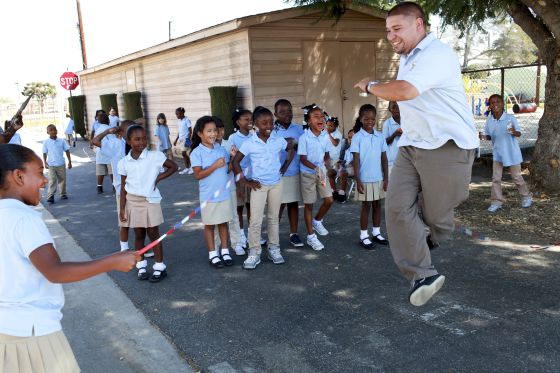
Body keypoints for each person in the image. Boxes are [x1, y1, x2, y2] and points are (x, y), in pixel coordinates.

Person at [354, 2, 479, 306]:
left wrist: (372, 85)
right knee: (396, 208)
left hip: (448, 147)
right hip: (413, 146)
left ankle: (434, 233)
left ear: (419, 25)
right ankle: (422, 274)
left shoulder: (437, 55)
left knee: (436, 218)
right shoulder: (408, 57)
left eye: (397, 29)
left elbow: (407, 91)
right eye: (387, 31)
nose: (391, 36)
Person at [0, 143, 138, 373]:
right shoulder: (24, 219)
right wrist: (113, 260)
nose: (44, 180)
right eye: (39, 173)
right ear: (19, 176)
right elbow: (55, 271)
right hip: (34, 333)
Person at [233, 106, 291, 270]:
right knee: (255, 220)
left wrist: (285, 166)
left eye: (271, 122)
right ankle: (254, 252)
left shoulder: (277, 139)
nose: (269, 126)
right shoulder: (250, 143)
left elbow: (290, 148)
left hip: (276, 184)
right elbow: (235, 162)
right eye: (264, 123)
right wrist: (246, 182)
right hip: (259, 186)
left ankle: (274, 248)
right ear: (255, 124)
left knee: (273, 218)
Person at [118, 125, 178, 282]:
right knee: (139, 234)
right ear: (128, 141)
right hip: (133, 201)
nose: (142, 142)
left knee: (154, 234)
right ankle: (141, 266)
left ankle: (159, 267)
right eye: (137, 139)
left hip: (150, 200)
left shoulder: (155, 156)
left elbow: (174, 167)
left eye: (144, 138)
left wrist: (158, 178)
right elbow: (123, 188)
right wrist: (122, 208)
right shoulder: (124, 162)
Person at [190, 116, 236, 269]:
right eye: (209, 131)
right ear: (200, 133)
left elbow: (227, 169)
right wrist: (215, 165)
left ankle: (225, 250)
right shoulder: (196, 153)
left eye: (215, 130)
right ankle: (212, 254)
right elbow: (198, 175)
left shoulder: (221, 149)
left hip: (224, 193)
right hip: (208, 195)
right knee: (210, 225)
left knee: (223, 222)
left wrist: (234, 159)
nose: (213, 134)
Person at [92, 120, 140, 255]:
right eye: (129, 131)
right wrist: (108, 131)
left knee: (138, 221)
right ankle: (124, 248)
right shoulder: (115, 145)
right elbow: (95, 141)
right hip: (122, 190)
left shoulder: (138, 146)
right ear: (122, 133)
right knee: (124, 220)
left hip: (138, 190)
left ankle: (139, 247)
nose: (133, 134)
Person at [480, 94, 532, 212]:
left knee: (516, 177)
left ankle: (526, 196)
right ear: (490, 106)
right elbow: (488, 136)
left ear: (502, 104)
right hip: (498, 153)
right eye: (492, 103)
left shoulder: (510, 118)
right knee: (496, 178)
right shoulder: (490, 120)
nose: (495, 104)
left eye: (498, 102)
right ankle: (496, 201)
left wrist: (513, 131)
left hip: (512, 152)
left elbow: (518, 134)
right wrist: (483, 136)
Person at [350, 104, 389, 250]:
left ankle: (377, 233)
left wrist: (386, 178)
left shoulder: (380, 136)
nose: (370, 121)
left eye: (373, 119)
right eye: (366, 119)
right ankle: (363, 235)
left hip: (378, 178)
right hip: (364, 179)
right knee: (366, 207)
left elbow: (384, 158)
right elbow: (356, 160)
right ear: (360, 119)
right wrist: (358, 179)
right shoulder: (357, 137)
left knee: (378, 205)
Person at [297, 105, 334, 251]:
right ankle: (311, 236)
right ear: (309, 121)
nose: (320, 119)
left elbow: (326, 155)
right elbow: (303, 159)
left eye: (321, 116)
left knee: (329, 199)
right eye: (316, 116)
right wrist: (316, 168)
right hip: (308, 173)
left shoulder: (325, 136)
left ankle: (317, 220)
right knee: (309, 204)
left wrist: (328, 166)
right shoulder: (304, 138)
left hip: (321, 171)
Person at [274, 99, 306, 247]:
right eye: (282, 112)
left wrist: (297, 144)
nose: (287, 114)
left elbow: (304, 148)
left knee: (293, 203)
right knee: (277, 205)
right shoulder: (272, 130)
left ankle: (294, 233)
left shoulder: (298, 129)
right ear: (275, 114)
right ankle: (273, 235)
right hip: (277, 173)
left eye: (290, 111)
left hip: (294, 172)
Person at [213, 116, 246, 256]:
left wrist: (232, 158)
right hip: (214, 189)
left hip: (230, 186)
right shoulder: (208, 147)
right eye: (215, 129)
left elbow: (233, 167)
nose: (219, 132)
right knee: (216, 218)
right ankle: (215, 246)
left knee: (233, 216)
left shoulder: (229, 144)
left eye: (221, 129)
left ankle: (237, 243)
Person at [228, 109, 253, 247]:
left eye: (251, 119)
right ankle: (240, 234)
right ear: (238, 122)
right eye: (246, 119)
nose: (249, 122)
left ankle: (251, 234)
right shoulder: (233, 138)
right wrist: (237, 180)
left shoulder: (254, 136)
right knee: (239, 207)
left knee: (251, 206)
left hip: (252, 177)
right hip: (239, 177)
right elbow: (232, 160)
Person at [42, 124, 72, 204]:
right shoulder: (46, 142)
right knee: (52, 180)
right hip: (51, 164)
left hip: (61, 164)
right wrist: (45, 162)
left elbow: (67, 150)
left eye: (54, 129)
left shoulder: (62, 141)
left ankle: (63, 194)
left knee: (62, 180)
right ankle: (50, 196)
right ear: (47, 132)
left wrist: (69, 161)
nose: (53, 131)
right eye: (51, 130)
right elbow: (44, 152)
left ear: (57, 131)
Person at [93, 113, 113, 194]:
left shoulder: (98, 129)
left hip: (99, 152)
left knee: (100, 171)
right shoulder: (110, 129)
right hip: (109, 151)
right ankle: (114, 186)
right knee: (112, 170)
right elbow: (113, 141)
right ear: (107, 120)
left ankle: (99, 187)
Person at [382, 101, 402, 179]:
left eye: (399, 106)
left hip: (406, 160)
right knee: (392, 186)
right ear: (389, 109)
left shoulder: (406, 122)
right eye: (394, 107)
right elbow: (384, 143)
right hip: (392, 161)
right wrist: (394, 134)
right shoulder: (387, 124)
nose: (397, 109)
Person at [336, 129, 355, 202]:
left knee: (343, 172)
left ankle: (342, 194)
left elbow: (356, 161)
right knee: (331, 172)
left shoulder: (360, 149)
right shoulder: (348, 150)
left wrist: (345, 167)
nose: (350, 140)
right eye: (349, 138)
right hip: (347, 168)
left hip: (356, 169)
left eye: (352, 138)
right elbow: (345, 160)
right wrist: (340, 163)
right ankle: (334, 192)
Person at [325, 115, 342, 195]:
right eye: (327, 125)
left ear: (335, 126)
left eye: (331, 126)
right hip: (327, 158)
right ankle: (332, 191)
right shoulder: (325, 133)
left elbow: (335, 143)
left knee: (330, 174)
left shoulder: (338, 134)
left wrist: (328, 134)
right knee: (326, 174)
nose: (328, 127)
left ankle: (334, 191)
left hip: (335, 160)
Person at [173, 107, 193, 175]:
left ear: (182, 113)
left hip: (186, 139)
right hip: (181, 140)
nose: (177, 115)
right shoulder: (179, 121)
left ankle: (191, 168)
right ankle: (187, 168)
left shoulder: (187, 120)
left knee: (184, 153)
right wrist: (176, 139)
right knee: (185, 154)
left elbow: (190, 130)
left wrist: (189, 139)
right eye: (176, 114)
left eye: (178, 114)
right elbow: (180, 131)